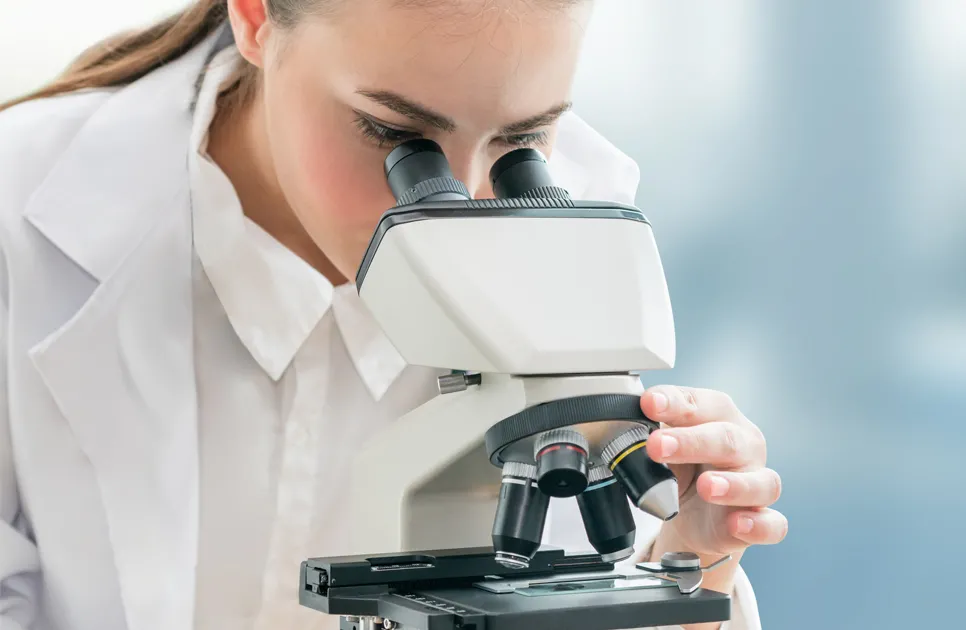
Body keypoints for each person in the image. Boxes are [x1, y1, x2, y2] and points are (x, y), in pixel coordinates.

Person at [0, 1, 788, 629]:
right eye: (397, 135)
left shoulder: (586, 227)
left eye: (524, 141)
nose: (466, 197)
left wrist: (690, 564)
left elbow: (583, 576)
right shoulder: (22, 214)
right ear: (253, 17)